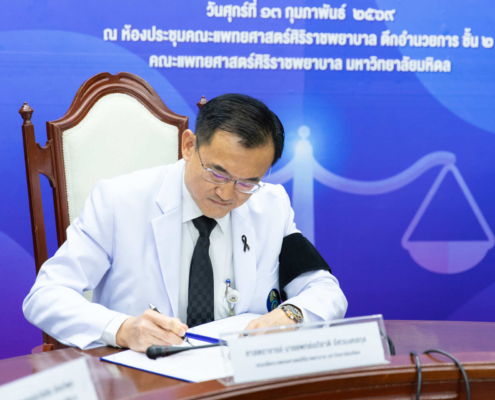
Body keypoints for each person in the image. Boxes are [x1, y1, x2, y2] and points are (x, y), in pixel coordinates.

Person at [23, 94, 347, 352]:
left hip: (239, 378)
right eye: (217, 173)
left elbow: (324, 290)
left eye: (247, 182)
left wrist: (291, 315)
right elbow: (45, 296)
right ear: (189, 146)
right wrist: (122, 329)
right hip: (143, 382)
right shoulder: (119, 201)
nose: (226, 194)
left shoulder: (271, 205)